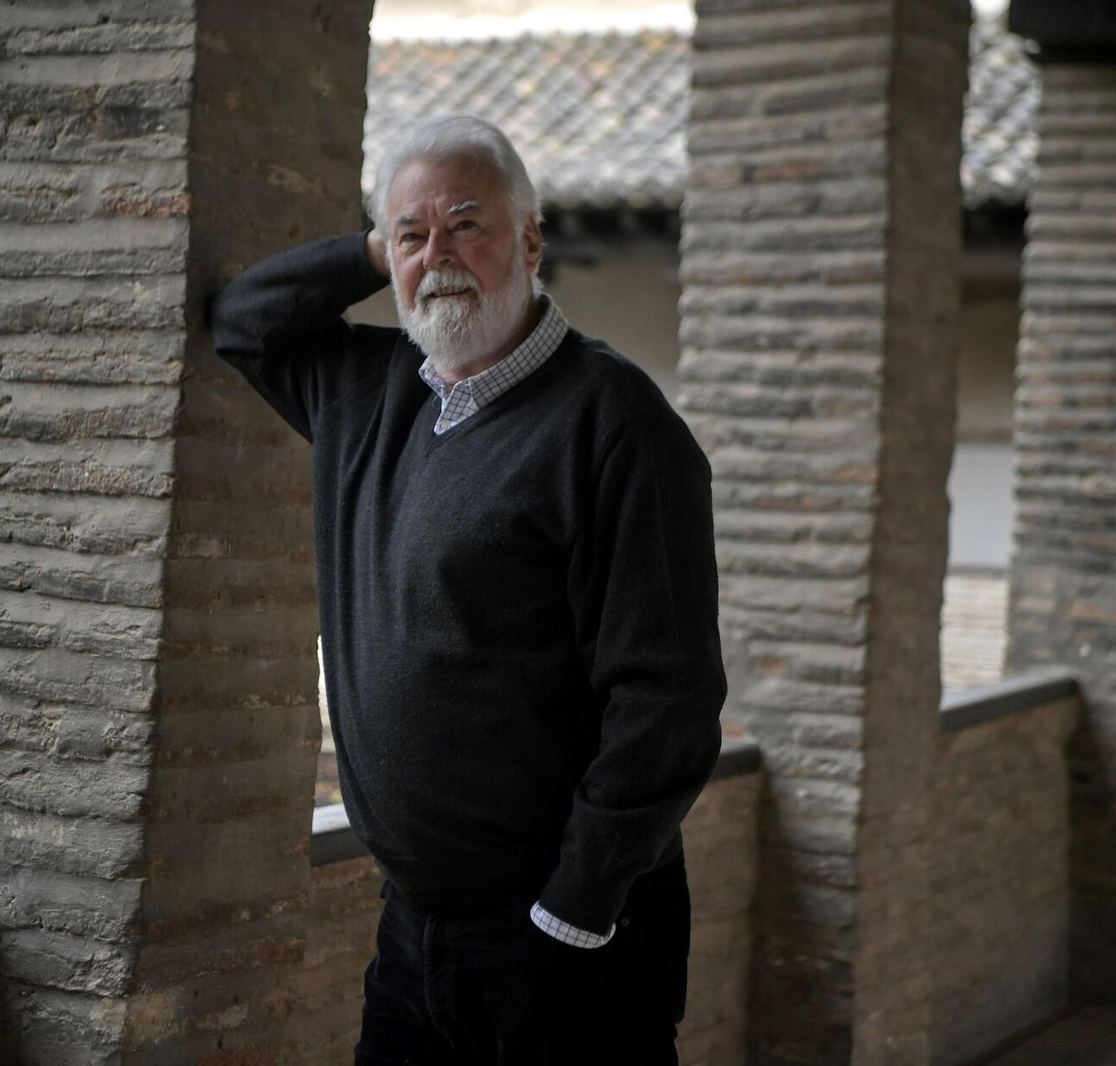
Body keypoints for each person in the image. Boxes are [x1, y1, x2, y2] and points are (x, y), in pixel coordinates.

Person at [209, 112, 725, 1065]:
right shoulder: (367, 393)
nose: (437, 256)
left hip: (571, 936)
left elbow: (669, 703)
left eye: (466, 225)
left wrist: (573, 912)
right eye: (413, 236)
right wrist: (380, 244)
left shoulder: (617, 426)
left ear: (530, 241)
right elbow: (243, 320)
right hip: (415, 930)